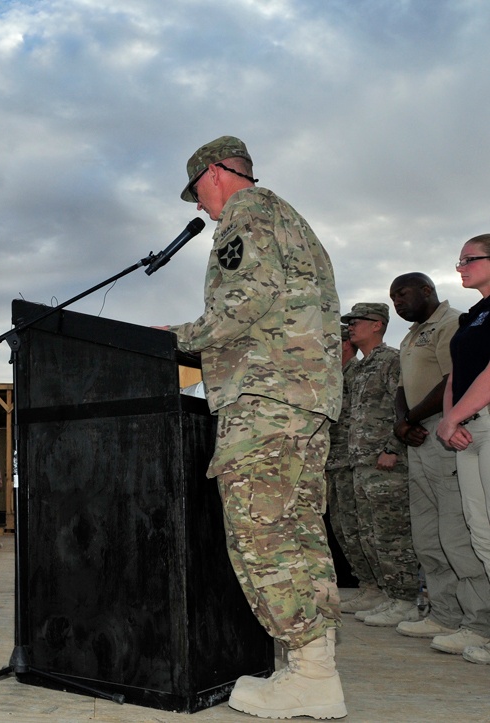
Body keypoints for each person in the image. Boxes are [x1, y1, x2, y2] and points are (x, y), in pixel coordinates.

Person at [166, 135, 345, 719]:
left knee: (265, 538)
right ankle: (313, 669)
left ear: (216, 174)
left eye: (196, 191)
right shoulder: (288, 218)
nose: (198, 205)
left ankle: (312, 675)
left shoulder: (247, 214)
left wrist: (170, 341)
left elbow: (242, 303)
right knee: (296, 533)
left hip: (267, 400)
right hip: (299, 399)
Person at [391, 273, 490, 654]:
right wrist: (402, 422)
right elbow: (402, 385)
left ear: (428, 290)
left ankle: (479, 620)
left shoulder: (453, 323)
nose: (398, 301)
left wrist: (411, 419)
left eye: (403, 293)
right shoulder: (411, 336)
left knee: (458, 533)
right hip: (418, 432)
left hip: (444, 427)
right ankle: (445, 613)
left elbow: (454, 378)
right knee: (427, 534)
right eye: (393, 296)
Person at [341, 302, 419, 628]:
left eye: (357, 321)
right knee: (370, 534)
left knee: (392, 536)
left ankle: (406, 600)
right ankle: (388, 595)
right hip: (361, 462)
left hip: (386, 462)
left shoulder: (390, 361)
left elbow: (406, 408)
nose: (350, 327)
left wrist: (392, 447)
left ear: (377, 325)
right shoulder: (358, 369)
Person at [437, 234, 490, 665]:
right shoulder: (471, 316)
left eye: (469, 259)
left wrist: (455, 418)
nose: (460, 267)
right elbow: (457, 374)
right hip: (469, 430)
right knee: (482, 536)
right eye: (458, 261)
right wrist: (450, 419)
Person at [328, 326, 375, 612]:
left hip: (352, 458)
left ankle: (373, 588)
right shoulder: (336, 375)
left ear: (345, 345)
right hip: (335, 460)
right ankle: (365, 586)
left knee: (359, 527)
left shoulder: (356, 373)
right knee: (343, 528)